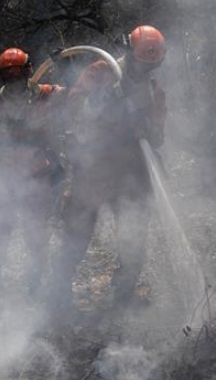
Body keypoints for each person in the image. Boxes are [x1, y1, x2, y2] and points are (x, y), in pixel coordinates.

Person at [49, 25, 168, 316]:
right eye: (141, 63)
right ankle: (58, 296)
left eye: (150, 66)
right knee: (78, 230)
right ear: (129, 53)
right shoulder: (102, 71)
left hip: (131, 172)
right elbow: (74, 104)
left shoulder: (154, 91)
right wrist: (105, 103)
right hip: (95, 166)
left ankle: (123, 297)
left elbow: (158, 138)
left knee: (133, 236)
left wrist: (144, 125)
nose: (144, 69)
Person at [0, 47, 66, 298]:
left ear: (28, 73)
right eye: (10, 79)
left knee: (36, 233)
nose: (15, 84)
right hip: (7, 177)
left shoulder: (45, 94)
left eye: (18, 78)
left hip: (38, 176)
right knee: (0, 229)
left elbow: (74, 95)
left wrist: (64, 62)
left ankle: (35, 283)